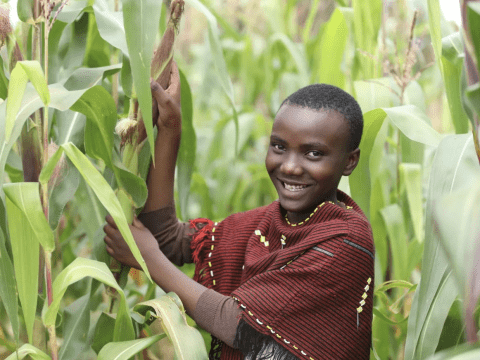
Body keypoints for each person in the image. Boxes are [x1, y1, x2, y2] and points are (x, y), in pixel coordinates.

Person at [104, 62, 374, 360]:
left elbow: (237, 322)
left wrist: (147, 258)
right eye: (279, 147)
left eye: (313, 153)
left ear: (350, 161)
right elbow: (168, 237)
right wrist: (170, 129)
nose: (290, 166)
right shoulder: (266, 224)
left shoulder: (348, 240)